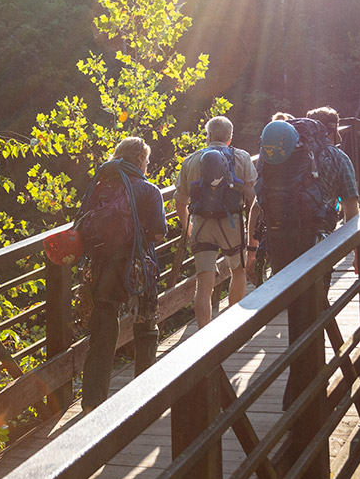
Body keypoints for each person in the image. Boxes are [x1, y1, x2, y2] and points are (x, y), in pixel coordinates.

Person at [246, 106, 359, 408]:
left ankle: (300, 391)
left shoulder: (279, 158)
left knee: (297, 314)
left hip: (280, 245)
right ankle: (305, 395)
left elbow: (259, 201)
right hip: (316, 245)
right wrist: (357, 253)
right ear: (331, 130)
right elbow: (352, 211)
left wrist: (253, 248)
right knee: (310, 314)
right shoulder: (338, 158)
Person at [80, 136, 167, 413]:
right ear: (140, 160)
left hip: (103, 266)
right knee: (146, 324)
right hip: (138, 265)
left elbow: (81, 224)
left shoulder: (100, 186)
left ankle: (92, 401)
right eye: (147, 160)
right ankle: (144, 395)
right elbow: (158, 232)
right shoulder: (148, 190)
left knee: (103, 330)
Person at [174, 116, 257, 328]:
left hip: (201, 224)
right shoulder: (242, 157)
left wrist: (189, 228)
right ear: (230, 137)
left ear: (208, 136)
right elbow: (251, 195)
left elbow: (180, 202)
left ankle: (204, 336)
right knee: (237, 271)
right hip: (232, 223)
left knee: (204, 285)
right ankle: (233, 326)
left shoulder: (191, 161)